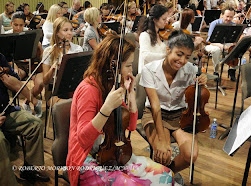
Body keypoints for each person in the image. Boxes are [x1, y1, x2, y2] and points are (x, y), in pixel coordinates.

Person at [67, 34, 174, 186]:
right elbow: (84, 139)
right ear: (113, 65)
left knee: (166, 175)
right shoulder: (88, 89)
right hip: (84, 159)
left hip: (112, 153)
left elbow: (129, 126)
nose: (132, 70)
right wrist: (106, 108)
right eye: (129, 66)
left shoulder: (112, 85)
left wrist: (131, 98)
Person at [140, 30, 207, 173]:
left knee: (191, 155)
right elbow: (155, 106)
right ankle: (161, 174)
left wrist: (202, 81)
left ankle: (167, 174)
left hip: (180, 115)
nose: (182, 61)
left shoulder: (191, 70)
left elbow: (197, 95)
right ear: (168, 49)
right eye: (179, 54)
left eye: (187, 57)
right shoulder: (149, 70)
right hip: (155, 114)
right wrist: (162, 141)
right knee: (162, 155)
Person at [0, 53, 50, 185]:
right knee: (0, 141)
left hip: (6, 111)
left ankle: (30, 169)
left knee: (35, 124)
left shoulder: (0, 58)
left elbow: (17, 82)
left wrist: (9, 81)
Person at [5, 11, 43, 117]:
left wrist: (39, 47)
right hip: (17, 64)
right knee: (16, 77)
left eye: (21, 25)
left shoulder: (29, 34)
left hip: (32, 64)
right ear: (11, 23)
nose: (18, 28)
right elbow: (6, 56)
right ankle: (35, 101)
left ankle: (27, 102)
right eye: (15, 25)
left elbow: (40, 56)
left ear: (24, 24)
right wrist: (14, 66)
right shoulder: (7, 36)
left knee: (40, 83)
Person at [42, 17, 83, 105]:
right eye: (65, 30)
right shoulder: (49, 51)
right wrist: (53, 69)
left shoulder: (78, 49)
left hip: (73, 88)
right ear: (57, 32)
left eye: (71, 30)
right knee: (66, 104)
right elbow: (45, 81)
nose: (70, 33)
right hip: (55, 90)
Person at [204, 4, 236, 81]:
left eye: (231, 17)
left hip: (225, 44)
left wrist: (232, 44)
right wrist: (220, 45)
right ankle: (216, 72)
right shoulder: (214, 23)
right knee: (217, 50)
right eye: (227, 16)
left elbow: (233, 40)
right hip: (213, 44)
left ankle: (232, 69)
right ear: (222, 15)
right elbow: (209, 40)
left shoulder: (233, 25)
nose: (229, 19)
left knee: (236, 48)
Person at [137, 4, 169, 73]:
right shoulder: (145, 35)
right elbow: (146, 55)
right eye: (164, 19)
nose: (166, 22)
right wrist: (165, 56)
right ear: (155, 19)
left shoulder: (162, 35)